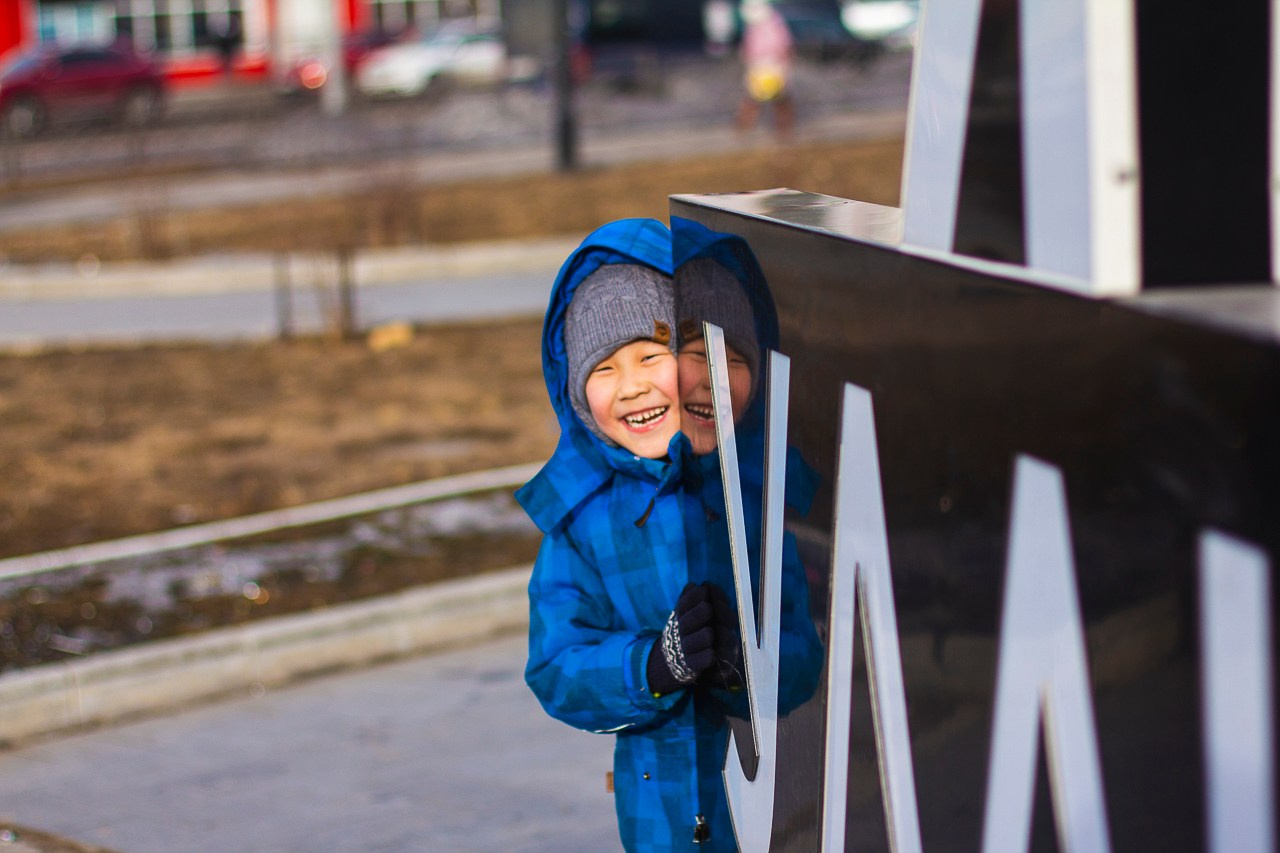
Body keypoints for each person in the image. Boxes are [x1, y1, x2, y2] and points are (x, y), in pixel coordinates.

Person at [518, 218, 746, 851]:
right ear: (575, 394)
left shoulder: (750, 486)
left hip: (787, 799)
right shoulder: (582, 522)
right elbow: (556, 668)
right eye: (604, 368)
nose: (632, 385)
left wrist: (750, 661)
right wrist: (653, 665)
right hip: (664, 820)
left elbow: (823, 635)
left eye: (650, 355)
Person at [735, 0, 796, 141]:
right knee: (754, 101)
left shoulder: (774, 25)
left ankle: (784, 131)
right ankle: (743, 131)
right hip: (759, 67)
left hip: (773, 67)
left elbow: (783, 47)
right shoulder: (755, 27)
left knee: (780, 101)